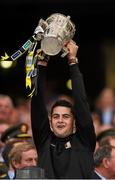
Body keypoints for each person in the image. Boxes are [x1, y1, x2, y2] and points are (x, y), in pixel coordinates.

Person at [31, 40, 96, 178]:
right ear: (50, 121)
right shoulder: (44, 140)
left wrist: (72, 61)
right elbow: (37, 103)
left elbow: (81, 102)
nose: (60, 120)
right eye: (56, 116)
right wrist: (41, 64)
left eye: (66, 116)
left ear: (74, 120)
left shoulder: (84, 140)